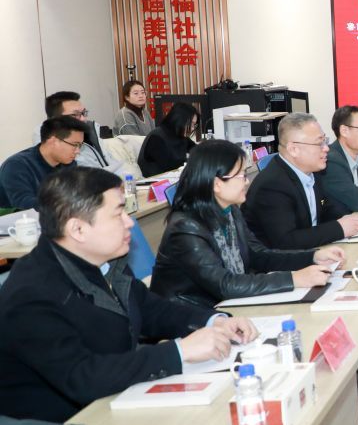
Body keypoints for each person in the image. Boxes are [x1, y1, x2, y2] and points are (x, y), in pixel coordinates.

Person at [0, 167, 258, 422]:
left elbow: (152, 309)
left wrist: (214, 321)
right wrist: (179, 351)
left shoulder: (104, 260)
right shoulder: (31, 295)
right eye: (118, 214)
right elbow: (83, 376)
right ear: (78, 230)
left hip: (115, 394)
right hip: (65, 416)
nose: (130, 222)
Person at [151, 140, 345, 309]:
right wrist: (294, 279)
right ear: (217, 184)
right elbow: (225, 285)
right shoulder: (186, 228)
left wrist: (313, 256)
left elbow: (258, 255)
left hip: (226, 305)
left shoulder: (229, 210)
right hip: (193, 317)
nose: (246, 182)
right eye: (241, 176)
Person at [243, 113, 358, 250]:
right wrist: (339, 228)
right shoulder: (272, 185)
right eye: (319, 143)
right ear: (294, 149)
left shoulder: (312, 172)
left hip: (310, 251)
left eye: (325, 141)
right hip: (282, 260)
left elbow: (328, 211)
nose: (326, 148)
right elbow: (286, 241)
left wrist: (350, 222)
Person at [0, 117, 86, 210]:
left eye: (80, 145)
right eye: (74, 145)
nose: (78, 151)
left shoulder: (69, 164)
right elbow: (24, 204)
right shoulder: (16, 165)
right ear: (53, 141)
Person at [44, 91, 117, 172]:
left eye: (83, 113)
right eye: (75, 114)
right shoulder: (51, 144)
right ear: (56, 119)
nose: (83, 119)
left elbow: (112, 162)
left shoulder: (91, 132)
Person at [138, 102, 198, 177]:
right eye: (191, 124)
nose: (192, 128)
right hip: (158, 181)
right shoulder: (156, 138)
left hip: (175, 178)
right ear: (179, 119)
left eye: (194, 125)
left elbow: (197, 150)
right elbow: (172, 165)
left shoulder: (180, 135)